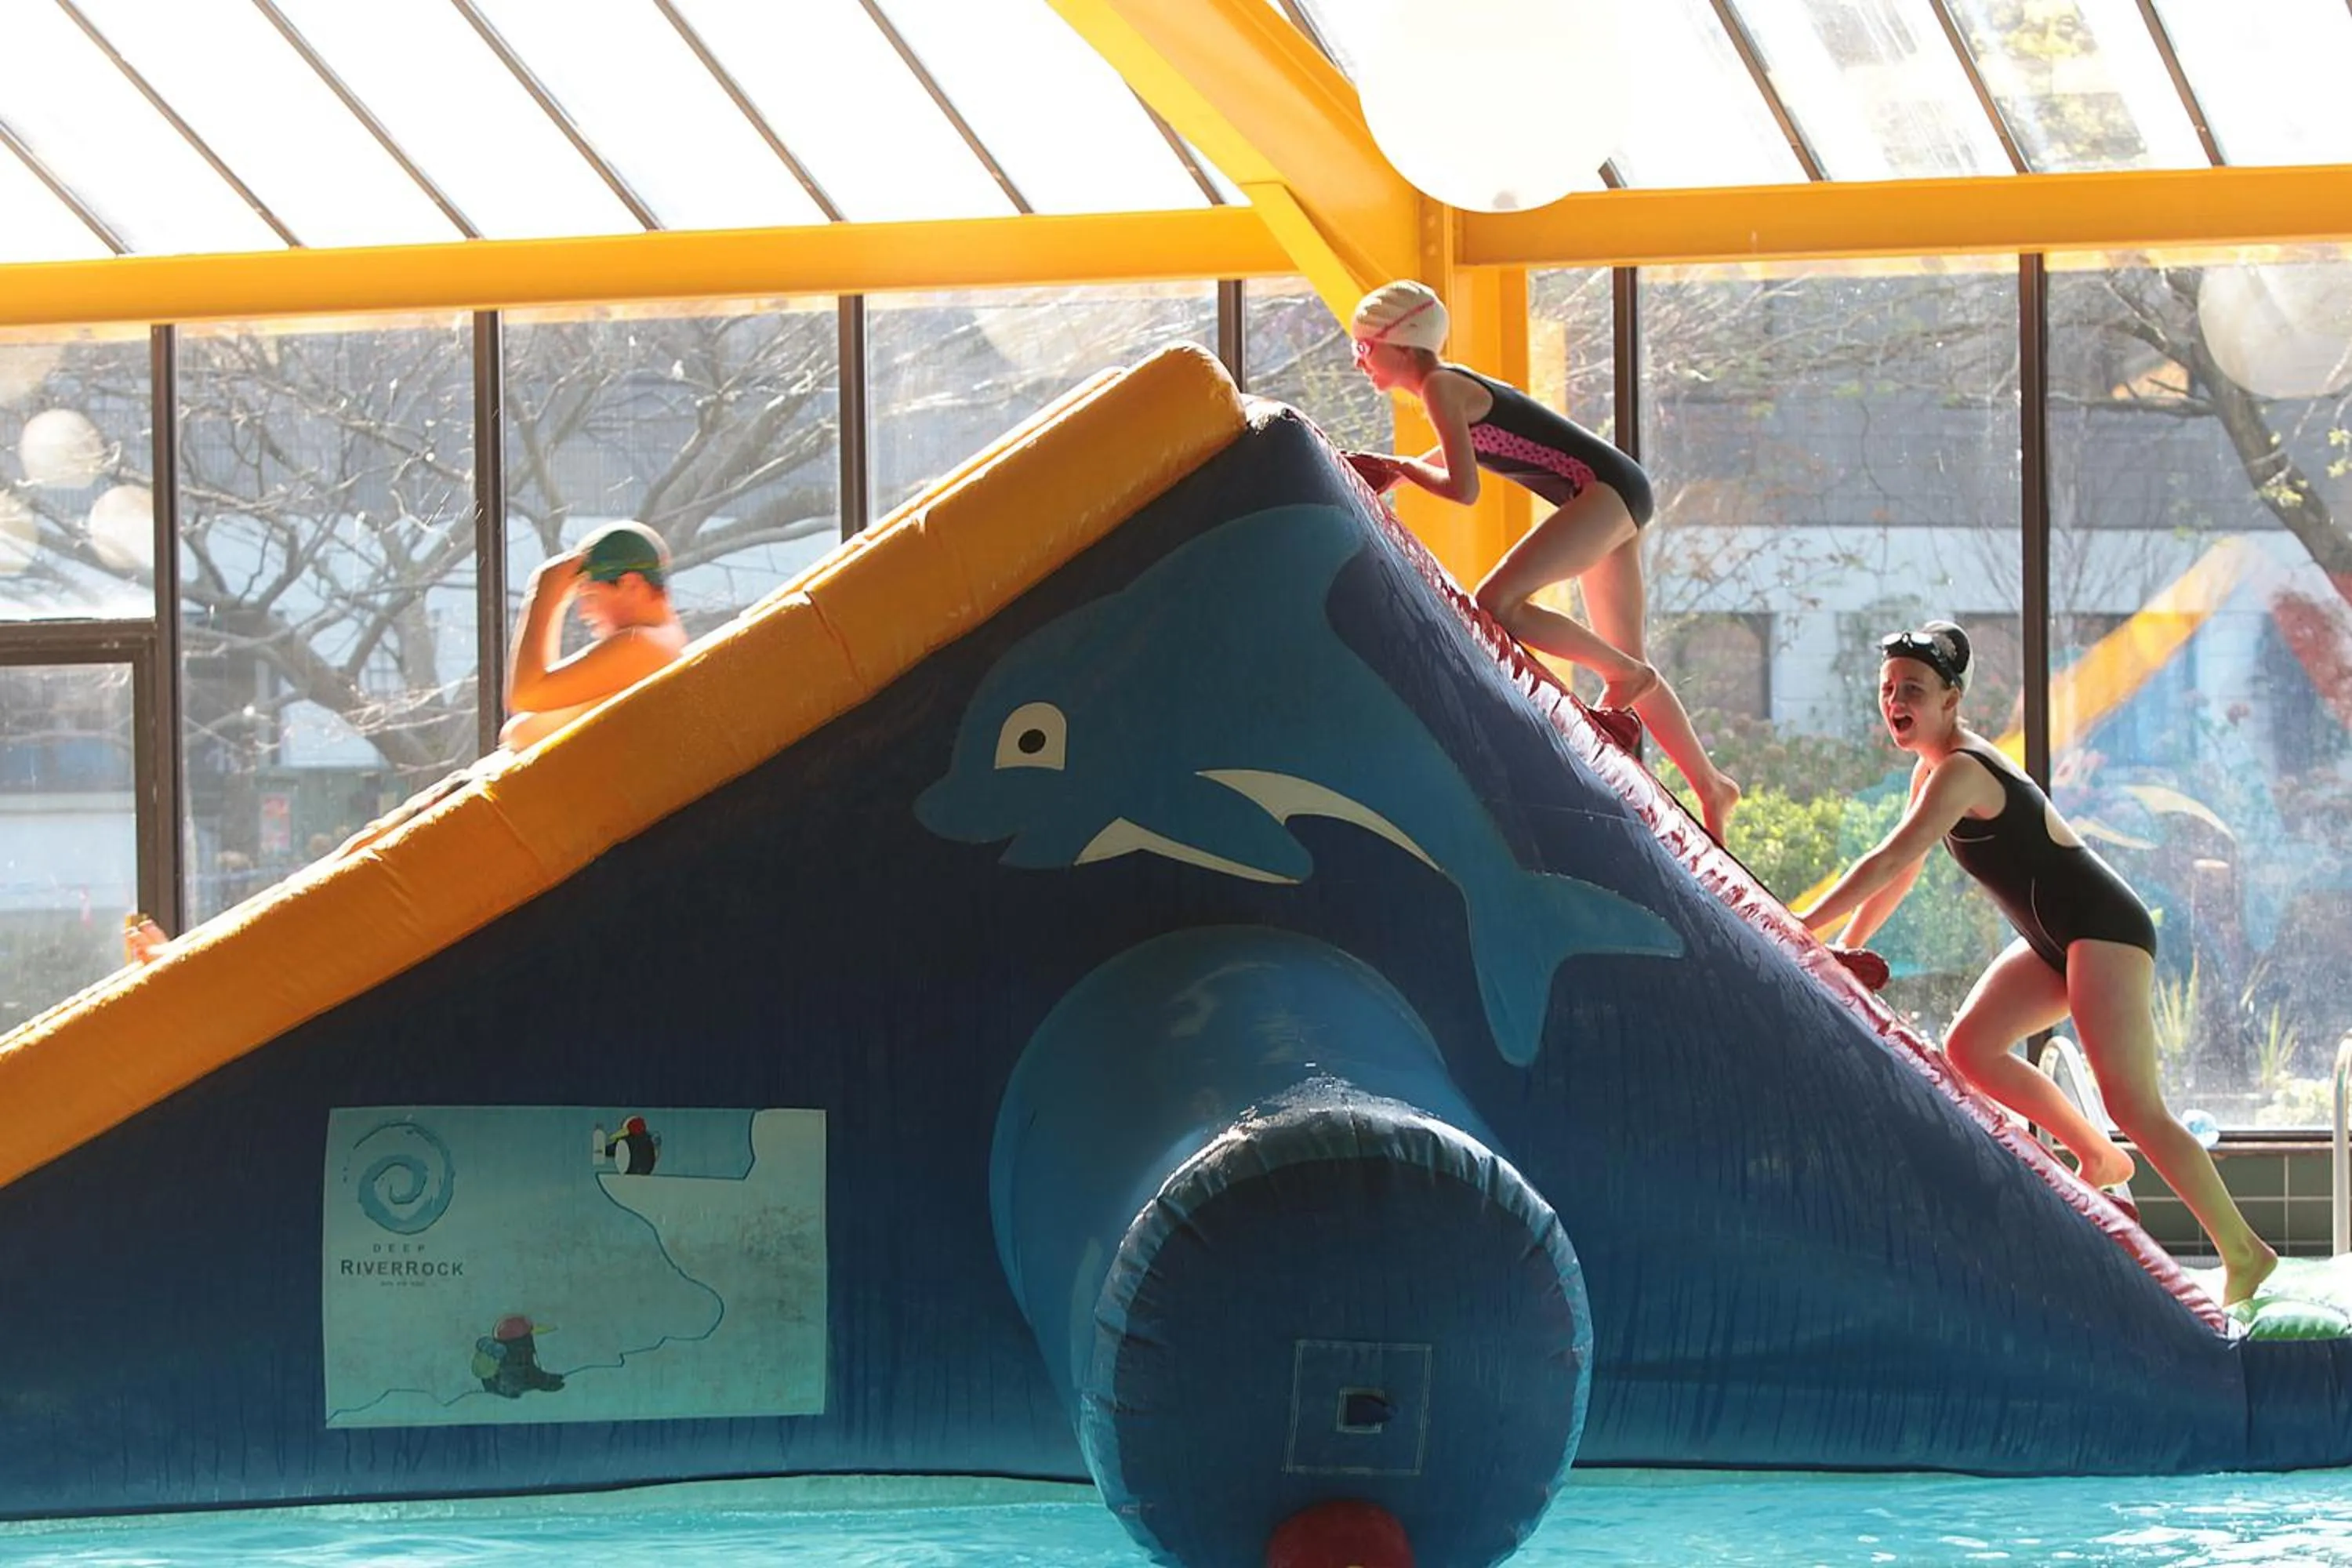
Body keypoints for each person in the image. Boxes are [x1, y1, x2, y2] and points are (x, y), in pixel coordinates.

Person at [1794, 621, 2278, 1307]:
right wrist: (1842, 943)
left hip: (2103, 930)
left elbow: (1890, 859)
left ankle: (2244, 1251)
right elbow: (1901, 875)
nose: (1896, 701)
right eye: (1887, 690)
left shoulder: (1962, 769)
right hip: (2056, 939)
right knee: (1969, 1046)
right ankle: (2101, 1158)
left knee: (2134, 1104)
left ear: (1951, 700)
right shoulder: (1930, 770)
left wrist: (1799, 924)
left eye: (1913, 690)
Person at [1346, 279, 1740, 840]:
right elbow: (1469, 450)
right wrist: (1397, 464)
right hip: (1613, 488)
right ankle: (1710, 785)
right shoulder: (1451, 388)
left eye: (1364, 347)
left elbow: (1463, 488)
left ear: (1401, 344)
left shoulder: (1440, 386)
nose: (1360, 362)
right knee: (1626, 654)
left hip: (1602, 492)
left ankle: (1624, 674)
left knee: (1497, 603)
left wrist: (1402, 469)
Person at [500, 521, 688, 751]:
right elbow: (539, 701)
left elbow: (525, 695)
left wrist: (542, 597)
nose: (583, 613)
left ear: (631, 584)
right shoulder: (661, 639)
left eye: (590, 596)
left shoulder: (642, 644)